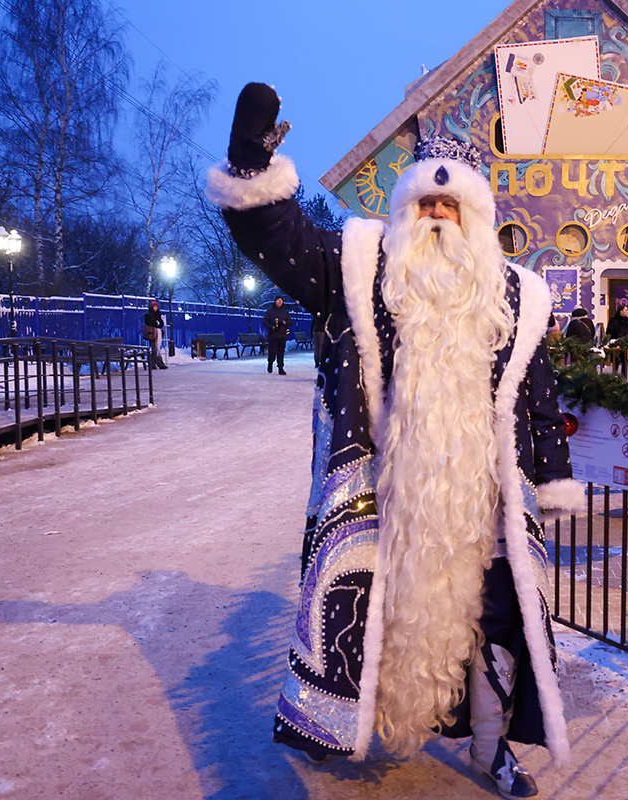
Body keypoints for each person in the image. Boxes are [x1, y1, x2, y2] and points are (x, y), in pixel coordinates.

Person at [206, 83, 581, 797]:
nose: (437, 216)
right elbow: (279, 240)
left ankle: (491, 750)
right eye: (425, 203)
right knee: (358, 609)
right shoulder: (359, 266)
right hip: (379, 495)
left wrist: (551, 481)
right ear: (405, 209)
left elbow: (538, 399)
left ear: (476, 216)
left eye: (451, 205)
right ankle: (334, 722)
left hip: (481, 507)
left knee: (496, 627)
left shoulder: (518, 297)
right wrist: (249, 161)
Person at [263, 296, 292, 374]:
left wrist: (284, 323)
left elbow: (290, 322)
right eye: (278, 300)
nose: (280, 302)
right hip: (273, 335)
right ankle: (270, 362)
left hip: (282, 335)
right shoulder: (270, 312)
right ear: (275, 301)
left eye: (281, 300)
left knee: (281, 352)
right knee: (272, 351)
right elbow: (265, 322)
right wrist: (271, 327)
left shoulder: (285, 312)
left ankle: (280, 368)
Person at [143, 301, 167, 369]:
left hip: (157, 334)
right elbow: (153, 323)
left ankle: (152, 364)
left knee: (155, 348)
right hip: (152, 334)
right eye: (154, 307)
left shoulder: (157, 315)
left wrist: (157, 323)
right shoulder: (148, 315)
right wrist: (157, 323)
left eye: (156, 307)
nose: (155, 308)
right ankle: (159, 364)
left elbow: (161, 324)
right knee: (155, 348)